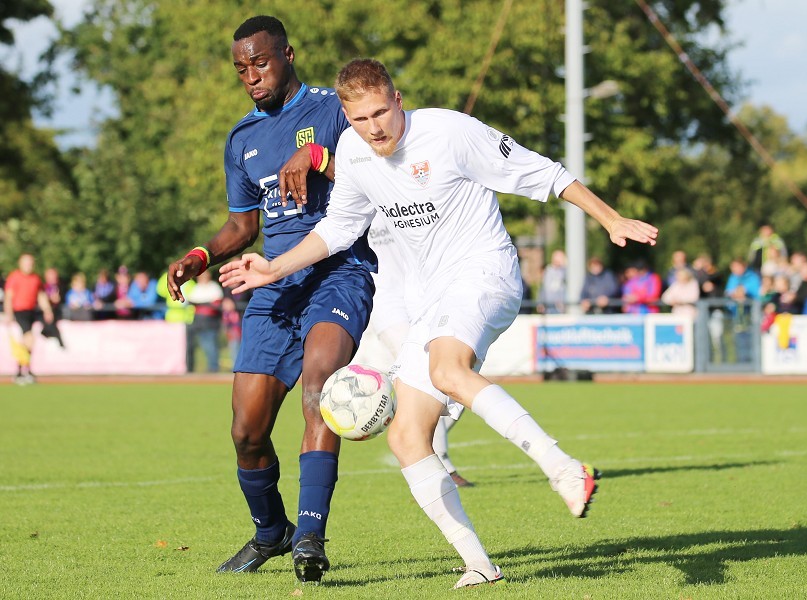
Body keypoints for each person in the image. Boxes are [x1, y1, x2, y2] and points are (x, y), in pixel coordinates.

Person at [219, 58, 658, 588]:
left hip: (484, 273)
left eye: (382, 112)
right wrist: (274, 267)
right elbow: (337, 229)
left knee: (448, 370)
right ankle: (480, 565)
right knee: (407, 435)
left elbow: (545, 173)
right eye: (359, 119)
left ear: (398, 99)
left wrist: (611, 219)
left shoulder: (450, 132)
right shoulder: (356, 154)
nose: (374, 127)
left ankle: (565, 468)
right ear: (347, 118)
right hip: (434, 298)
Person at [164, 17, 376, 582]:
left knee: (319, 390)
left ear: (287, 53)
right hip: (272, 285)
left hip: (338, 271)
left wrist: (316, 159)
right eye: (241, 68)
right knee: (246, 430)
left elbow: (382, 159)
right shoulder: (241, 138)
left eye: (260, 63)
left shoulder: (333, 109)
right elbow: (242, 226)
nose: (251, 76)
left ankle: (310, 534)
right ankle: (272, 532)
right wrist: (201, 255)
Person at [367, 213, 473, 487]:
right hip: (384, 304)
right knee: (426, 375)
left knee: (454, 382)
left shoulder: (402, 191)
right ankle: (442, 464)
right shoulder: (359, 191)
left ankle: (411, 428)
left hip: (421, 298)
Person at [2, 253, 54, 384]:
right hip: (19, 312)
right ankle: (24, 371)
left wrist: (47, 310)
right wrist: (8, 314)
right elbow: (8, 297)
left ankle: (22, 370)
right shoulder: (14, 277)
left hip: (31, 312)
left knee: (27, 342)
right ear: (20, 264)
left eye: (31, 263)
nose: (29, 266)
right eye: (26, 263)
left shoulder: (35, 278)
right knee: (27, 339)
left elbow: (41, 296)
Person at [186, 270, 224, 373]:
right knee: (201, 344)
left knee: (210, 344)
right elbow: (191, 301)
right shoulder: (196, 288)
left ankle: (213, 367)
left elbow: (215, 303)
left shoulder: (213, 287)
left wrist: (202, 304)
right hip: (198, 320)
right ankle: (192, 368)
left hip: (210, 320)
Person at [536, 249, 567, 314]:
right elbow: (543, 289)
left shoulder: (565, 272)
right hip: (548, 307)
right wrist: (540, 303)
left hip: (561, 308)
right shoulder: (548, 271)